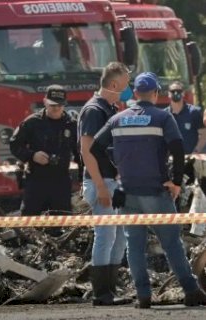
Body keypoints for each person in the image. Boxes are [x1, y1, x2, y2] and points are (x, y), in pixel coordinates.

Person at [90, 72, 206, 308]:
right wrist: (175, 182)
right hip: (156, 192)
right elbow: (177, 148)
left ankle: (143, 296)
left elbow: (94, 148)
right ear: (155, 94)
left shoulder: (118, 119)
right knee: (172, 243)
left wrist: (116, 171)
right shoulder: (162, 117)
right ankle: (191, 291)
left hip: (127, 193)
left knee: (134, 246)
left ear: (134, 93)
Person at [77, 61, 132, 306]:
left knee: (119, 237)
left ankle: (110, 289)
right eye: (125, 85)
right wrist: (100, 186)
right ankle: (102, 293)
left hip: (112, 182)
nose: (128, 90)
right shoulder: (94, 110)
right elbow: (87, 151)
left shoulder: (109, 108)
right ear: (113, 85)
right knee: (106, 236)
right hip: (102, 182)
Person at [10, 85, 81, 232]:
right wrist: (32, 155)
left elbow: (80, 152)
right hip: (36, 180)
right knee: (29, 224)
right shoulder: (32, 123)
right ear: (44, 102)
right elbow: (15, 145)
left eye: (60, 105)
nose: (56, 109)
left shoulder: (71, 125)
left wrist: (83, 177)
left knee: (61, 225)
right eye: (52, 105)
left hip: (60, 181)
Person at [165, 81, 205, 154]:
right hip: (171, 159)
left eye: (179, 91)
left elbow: (203, 134)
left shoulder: (194, 112)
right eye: (173, 91)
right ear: (168, 94)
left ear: (183, 93)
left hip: (190, 158)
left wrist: (196, 151)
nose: (176, 93)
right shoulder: (164, 115)